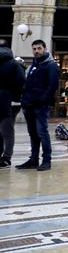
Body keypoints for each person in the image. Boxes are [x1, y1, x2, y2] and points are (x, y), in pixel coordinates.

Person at [16, 39, 60, 172]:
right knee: (33, 133)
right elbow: (27, 84)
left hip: (40, 105)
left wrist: (43, 100)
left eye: (39, 48)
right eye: (34, 49)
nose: (36, 51)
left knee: (42, 132)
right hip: (29, 104)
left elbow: (53, 86)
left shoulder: (51, 65)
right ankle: (33, 159)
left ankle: (47, 160)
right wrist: (24, 99)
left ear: (45, 49)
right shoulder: (34, 65)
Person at [0, 39, 25, 168]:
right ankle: (6, 157)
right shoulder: (14, 64)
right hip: (10, 102)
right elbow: (21, 82)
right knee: (8, 131)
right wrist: (16, 98)